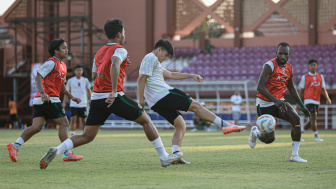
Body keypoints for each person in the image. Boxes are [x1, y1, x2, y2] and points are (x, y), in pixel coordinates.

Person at [40, 19, 182, 169]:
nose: (125, 35)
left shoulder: (99, 52)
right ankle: (164, 157)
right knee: (145, 120)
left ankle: (57, 150)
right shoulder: (120, 49)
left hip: (97, 98)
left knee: (87, 136)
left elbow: (95, 75)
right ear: (119, 34)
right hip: (113, 97)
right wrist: (114, 90)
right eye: (124, 32)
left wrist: (120, 66)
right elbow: (114, 63)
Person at [137, 39, 246, 164]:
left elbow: (171, 75)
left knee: (180, 125)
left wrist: (191, 75)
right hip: (163, 94)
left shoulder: (154, 61)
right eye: (166, 55)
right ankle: (226, 126)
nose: (166, 58)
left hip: (155, 102)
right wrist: (140, 102)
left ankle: (176, 156)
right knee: (196, 105)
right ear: (159, 50)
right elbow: (141, 79)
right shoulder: (150, 58)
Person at [7, 38, 84, 163]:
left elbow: (62, 86)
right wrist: (43, 93)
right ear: (56, 50)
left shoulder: (63, 65)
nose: (67, 50)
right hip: (49, 98)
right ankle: (67, 153)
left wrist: (72, 97)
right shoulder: (51, 63)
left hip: (42, 99)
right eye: (63, 48)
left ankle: (15, 146)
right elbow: (38, 76)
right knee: (64, 122)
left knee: (36, 127)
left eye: (66, 47)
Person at [248, 42, 310, 163]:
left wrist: (302, 106)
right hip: (264, 103)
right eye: (280, 53)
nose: (282, 56)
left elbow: (291, 89)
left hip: (279, 102)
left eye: (285, 54)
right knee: (269, 139)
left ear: (289, 54)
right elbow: (260, 87)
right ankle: (255, 132)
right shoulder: (269, 65)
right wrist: (275, 100)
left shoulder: (289, 68)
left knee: (296, 119)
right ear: (276, 53)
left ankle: (295, 155)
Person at [297, 58, 332, 142]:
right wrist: (298, 103)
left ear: (317, 66)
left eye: (314, 65)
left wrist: (327, 98)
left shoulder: (320, 76)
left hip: (317, 101)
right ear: (308, 66)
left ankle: (300, 133)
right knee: (313, 117)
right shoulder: (305, 77)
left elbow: (323, 89)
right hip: (308, 101)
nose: (313, 66)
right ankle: (316, 136)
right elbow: (301, 91)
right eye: (311, 65)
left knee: (312, 119)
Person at [63, 65, 92, 136]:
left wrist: (92, 100)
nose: (79, 72)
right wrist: (64, 102)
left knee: (84, 120)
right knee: (73, 119)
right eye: (77, 70)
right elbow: (67, 92)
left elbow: (89, 91)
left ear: (82, 71)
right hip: (73, 104)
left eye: (80, 70)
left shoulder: (85, 80)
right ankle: (72, 134)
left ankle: (84, 134)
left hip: (83, 103)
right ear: (74, 71)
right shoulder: (70, 80)